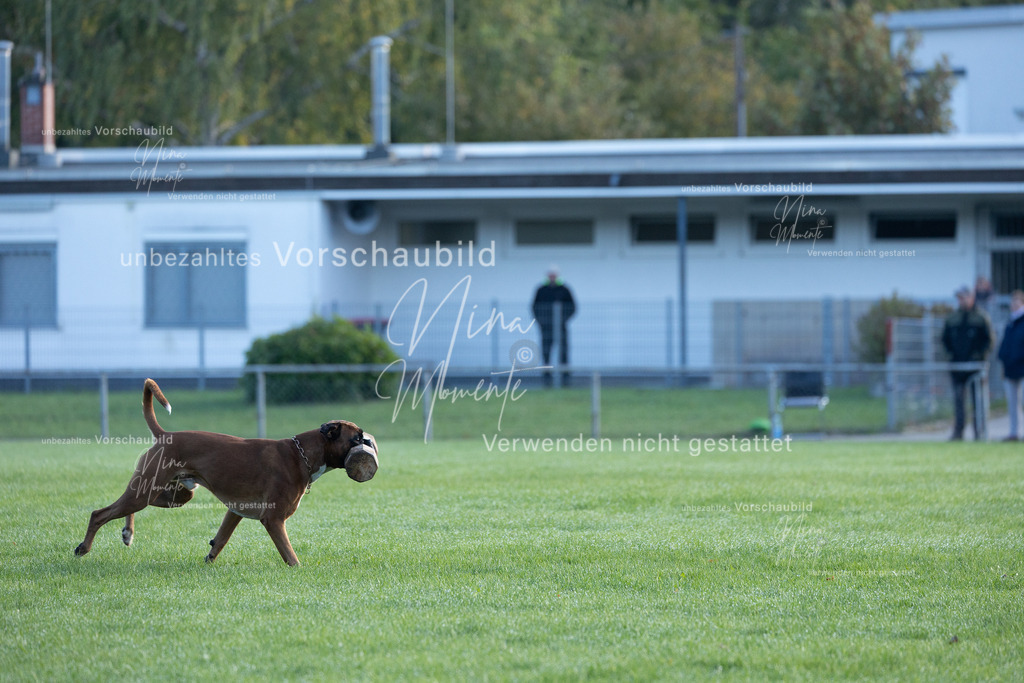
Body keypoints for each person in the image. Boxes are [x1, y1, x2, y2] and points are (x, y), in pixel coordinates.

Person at [941, 286, 994, 441]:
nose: (962, 301)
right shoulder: (952, 318)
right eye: (960, 298)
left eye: (965, 297)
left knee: (978, 401)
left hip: (975, 368)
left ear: (971, 298)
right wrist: (950, 357)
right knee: (958, 402)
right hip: (957, 367)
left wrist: (979, 357)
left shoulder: (981, 317)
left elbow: (989, 341)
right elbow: (944, 341)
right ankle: (958, 432)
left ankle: (979, 432)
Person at [531, 267, 576, 386]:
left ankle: (565, 378)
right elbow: (535, 308)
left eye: (554, 275)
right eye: (550, 275)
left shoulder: (564, 290)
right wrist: (542, 321)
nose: (552, 277)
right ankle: (547, 378)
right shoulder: (541, 290)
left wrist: (562, 320)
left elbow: (572, 307)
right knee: (546, 352)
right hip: (546, 328)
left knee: (563, 352)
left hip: (561, 327)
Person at [998, 290, 1024, 441]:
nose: (1014, 305)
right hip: (1010, 369)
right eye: (1012, 302)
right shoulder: (1010, 323)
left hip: (1022, 367)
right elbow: (1005, 347)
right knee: (1012, 405)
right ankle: (1014, 433)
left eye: (1017, 302)